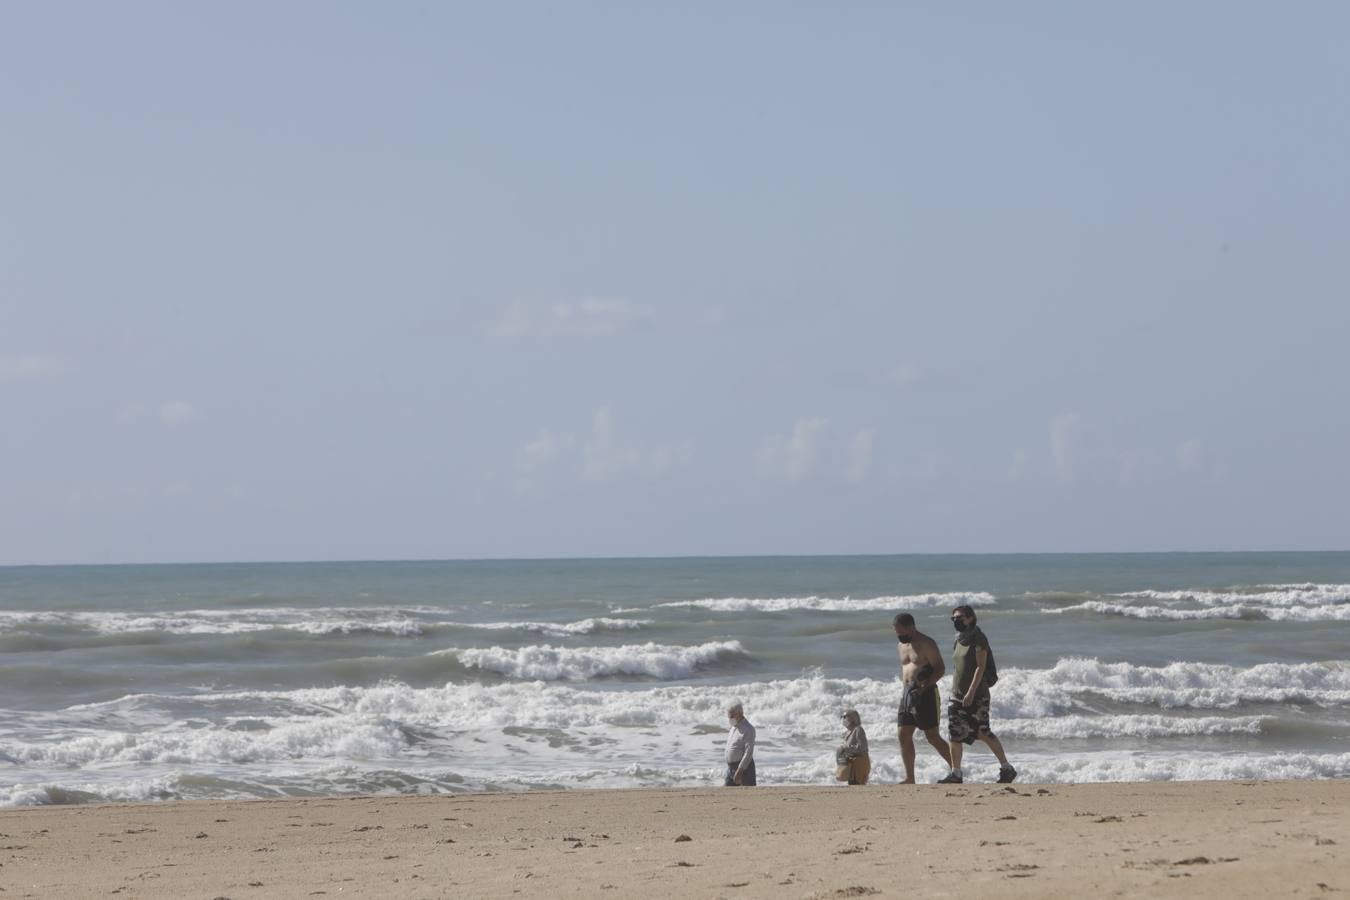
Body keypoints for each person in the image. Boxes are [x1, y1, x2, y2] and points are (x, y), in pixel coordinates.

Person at [939, 604, 1016, 784]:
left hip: (977, 694)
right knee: (955, 733)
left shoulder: (978, 638)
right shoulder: (958, 639)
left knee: (982, 732)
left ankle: (1007, 768)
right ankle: (956, 773)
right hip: (956, 694)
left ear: (971, 618)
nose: (956, 621)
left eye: (960, 618)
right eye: (954, 619)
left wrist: (971, 692)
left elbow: (980, 667)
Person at [892, 612, 954, 783]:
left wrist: (923, 687)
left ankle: (956, 771)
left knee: (932, 736)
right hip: (907, 694)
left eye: (901, 631)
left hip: (926, 694)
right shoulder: (900, 646)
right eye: (896, 631)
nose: (899, 634)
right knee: (903, 734)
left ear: (911, 627)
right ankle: (910, 778)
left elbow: (940, 669)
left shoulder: (927, 643)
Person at [723, 701, 756, 786]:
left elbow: (749, 752)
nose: (730, 719)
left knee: (748, 796)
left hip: (744, 770)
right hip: (730, 768)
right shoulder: (733, 727)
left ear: (739, 714)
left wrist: (740, 770)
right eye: (729, 716)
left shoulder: (748, 729)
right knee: (726, 795)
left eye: (732, 716)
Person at [835, 709, 871, 785]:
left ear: (852, 718)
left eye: (844, 717)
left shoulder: (858, 730)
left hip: (859, 763)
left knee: (857, 785)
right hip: (851, 763)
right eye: (842, 717)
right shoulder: (848, 732)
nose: (843, 719)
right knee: (852, 784)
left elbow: (862, 747)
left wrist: (845, 748)